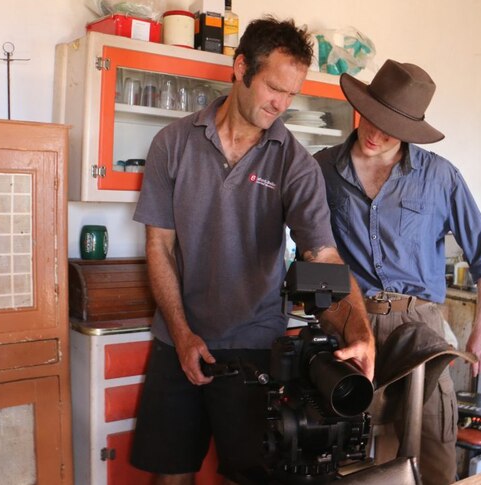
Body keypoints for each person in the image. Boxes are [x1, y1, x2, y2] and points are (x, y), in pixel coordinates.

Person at [130, 17, 375, 484]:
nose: (282, 104)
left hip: (256, 345)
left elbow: (322, 256)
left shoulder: (295, 164)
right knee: (170, 476)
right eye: (273, 88)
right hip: (176, 338)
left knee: (250, 476)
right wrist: (181, 335)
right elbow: (159, 245)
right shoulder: (173, 143)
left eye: (292, 94)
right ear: (241, 67)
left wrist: (359, 329)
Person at [314, 59, 481, 484]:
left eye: (391, 128)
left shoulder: (439, 177)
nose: (376, 133)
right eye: (373, 118)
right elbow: (310, 251)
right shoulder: (323, 169)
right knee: (359, 461)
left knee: (432, 450)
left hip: (420, 330)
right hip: (351, 322)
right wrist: (314, 305)